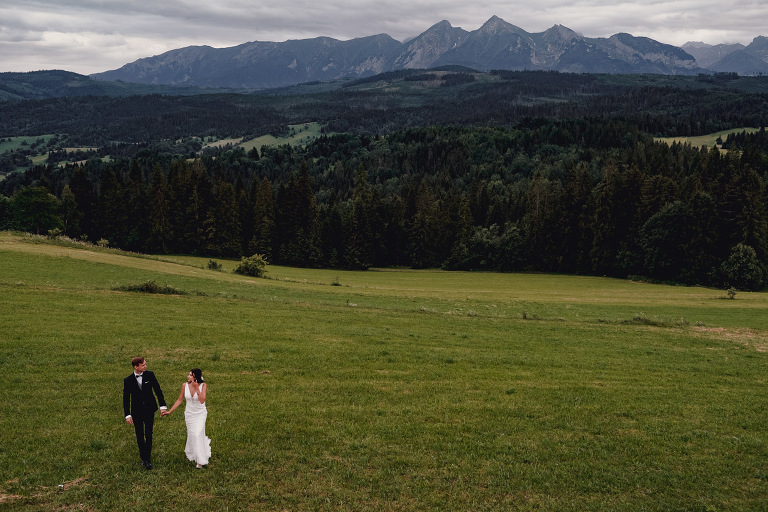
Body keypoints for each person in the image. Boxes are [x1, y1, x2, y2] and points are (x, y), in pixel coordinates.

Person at [162, 368, 211, 468]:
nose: (188, 376)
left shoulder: (203, 385)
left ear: (195, 377)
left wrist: (197, 388)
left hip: (200, 414)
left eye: (190, 375)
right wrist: (169, 411)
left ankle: (200, 461)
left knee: (197, 434)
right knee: (193, 434)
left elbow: (202, 400)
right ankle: (193, 452)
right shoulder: (185, 385)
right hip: (189, 414)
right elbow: (180, 400)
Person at [123, 357, 166, 470]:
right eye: (143, 365)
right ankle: (144, 458)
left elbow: (158, 390)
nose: (145, 366)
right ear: (136, 367)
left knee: (148, 433)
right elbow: (126, 398)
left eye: (145, 364)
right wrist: (127, 414)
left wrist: (162, 406)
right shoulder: (128, 380)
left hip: (149, 409)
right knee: (139, 435)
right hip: (136, 411)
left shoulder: (150, 375)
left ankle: (147, 458)